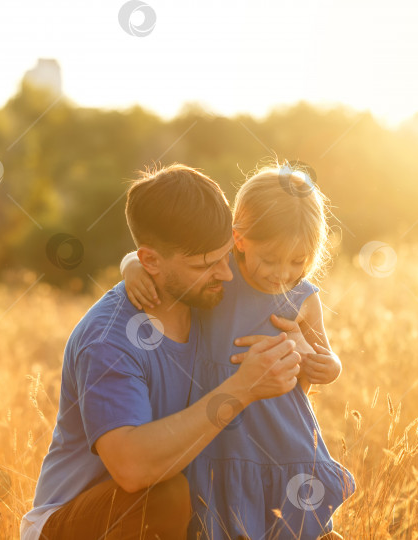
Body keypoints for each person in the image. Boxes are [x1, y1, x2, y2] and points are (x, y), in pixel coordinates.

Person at [20, 164, 305, 540]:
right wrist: (243, 388)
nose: (227, 274)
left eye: (226, 256)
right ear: (150, 261)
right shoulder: (108, 340)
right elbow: (132, 469)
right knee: (166, 497)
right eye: (205, 264)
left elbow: (282, 264)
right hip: (82, 520)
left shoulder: (209, 293)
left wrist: (299, 348)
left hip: (182, 507)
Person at [122, 161, 356, 539]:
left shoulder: (303, 298)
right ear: (239, 239)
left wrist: (320, 363)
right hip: (220, 433)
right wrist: (131, 264)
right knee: (223, 521)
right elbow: (157, 256)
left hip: (282, 432)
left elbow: (326, 362)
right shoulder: (219, 272)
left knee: (296, 523)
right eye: (270, 259)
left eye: (298, 261)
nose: (282, 273)